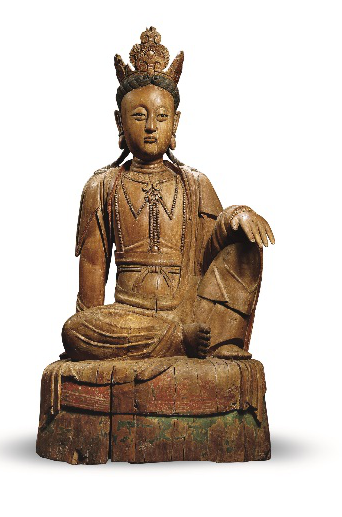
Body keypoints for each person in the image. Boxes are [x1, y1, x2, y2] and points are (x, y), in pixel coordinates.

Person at [62, 28, 274, 361]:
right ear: (119, 123)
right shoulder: (102, 186)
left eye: (161, 117)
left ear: (174, 124)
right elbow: (92, 271)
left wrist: (238, 216)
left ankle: (200, 337)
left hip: (187, 310)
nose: (150, 126)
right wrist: (86, 338)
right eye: (139, 115)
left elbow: (212, 252)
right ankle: (177, 340)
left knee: (245, 246)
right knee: (75, 330)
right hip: (129, 317)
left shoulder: (195, 184)